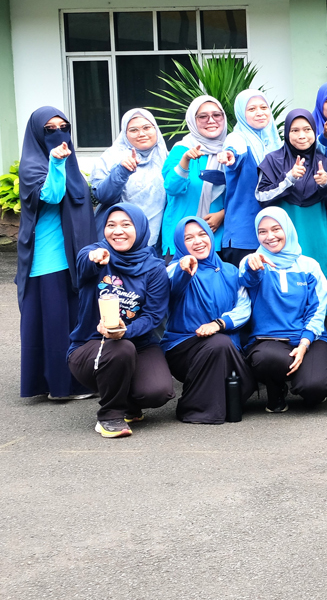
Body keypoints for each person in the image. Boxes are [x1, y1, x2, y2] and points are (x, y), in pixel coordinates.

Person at [66, 204, 172, 437]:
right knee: (120, 349)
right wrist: (94, 258)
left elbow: (153, 315)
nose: (117, 231)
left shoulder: (154, 268)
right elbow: (84, 260)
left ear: (140, 228)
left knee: (158, 391)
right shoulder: (98, 254)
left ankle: (129, 404)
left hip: (139, 344)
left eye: (126, 225)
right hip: (91, 345)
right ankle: (110, 416)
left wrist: (126, 331)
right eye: (111, 225)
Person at [18, 107, 95, 402]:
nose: (58, 133)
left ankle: (78, 380)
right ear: (37, 134)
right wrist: (56, 163)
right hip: (46, 259)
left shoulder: (70, 164)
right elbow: (51, 195)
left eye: (63, 127)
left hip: (71, 257)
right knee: (55, 325)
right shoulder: (32, 166)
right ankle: (60, 387)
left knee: (75, 321)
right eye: (49, 129)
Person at [238, 208, 327, 413]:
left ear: (288, 229)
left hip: (309, 338)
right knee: (266, 359)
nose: (269, 236)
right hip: (268, 341)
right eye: (262, 231)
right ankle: (276, 389)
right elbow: (247, 280)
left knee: (314, 388)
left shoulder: (309, 266)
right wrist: (251, 266)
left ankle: (305, 381)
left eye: (276, 229)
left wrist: (304, 343)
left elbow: (317, 308)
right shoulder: (253, 262)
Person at [162, 216, 251, 424]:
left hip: (226, 344)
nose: (198, 241)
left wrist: (219, 324)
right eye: (188, 238)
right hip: (184, 345)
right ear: (180, 243)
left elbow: (244, 307)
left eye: (202, 234)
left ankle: (220, 401)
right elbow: (173, 282)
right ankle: (194, 408)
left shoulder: (230, 271)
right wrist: (183, 268)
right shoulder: (173, 269)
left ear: (211, 236)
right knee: (219, 344)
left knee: (223, 346)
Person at [256, 110, 327, 320]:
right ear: (286, 133)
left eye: (307, 129)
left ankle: (325, 338)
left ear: (315, 132)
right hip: (282, 236)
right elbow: (261, 196)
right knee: (286, 286)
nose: (301, 135)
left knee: (322, 285)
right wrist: (289, 179)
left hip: (317, 236)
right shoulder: (272, 161)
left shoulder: (324, 162)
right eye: (294, 130)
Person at [161, 95, 229, 256]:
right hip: (181, 239)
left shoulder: (231, 150)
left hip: (216, 239)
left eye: (216, 115)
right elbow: (172, 188)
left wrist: (222, 214)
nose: (211, 120)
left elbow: (242, 194)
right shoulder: (181, 150)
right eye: (203, 116)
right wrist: (185, 161)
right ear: (193, 120)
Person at [89, 108, 166, 248]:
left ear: (156, 129)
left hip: (157, 240)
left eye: (147, 128)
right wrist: (121, 171)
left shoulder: (167, 158)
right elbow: (102, 195)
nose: (141, 134)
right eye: (133, 130)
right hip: (117, 239)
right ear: (125, 133)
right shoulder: (110, 157)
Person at [217, 90, 279, 265]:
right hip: (243, 235)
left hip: (273, 233)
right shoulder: (238, 138)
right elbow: (235, 150)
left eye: (263, 107)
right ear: (241, 113)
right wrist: (230, 155)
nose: (259, 113)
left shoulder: (275, 142)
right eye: (251, 109)